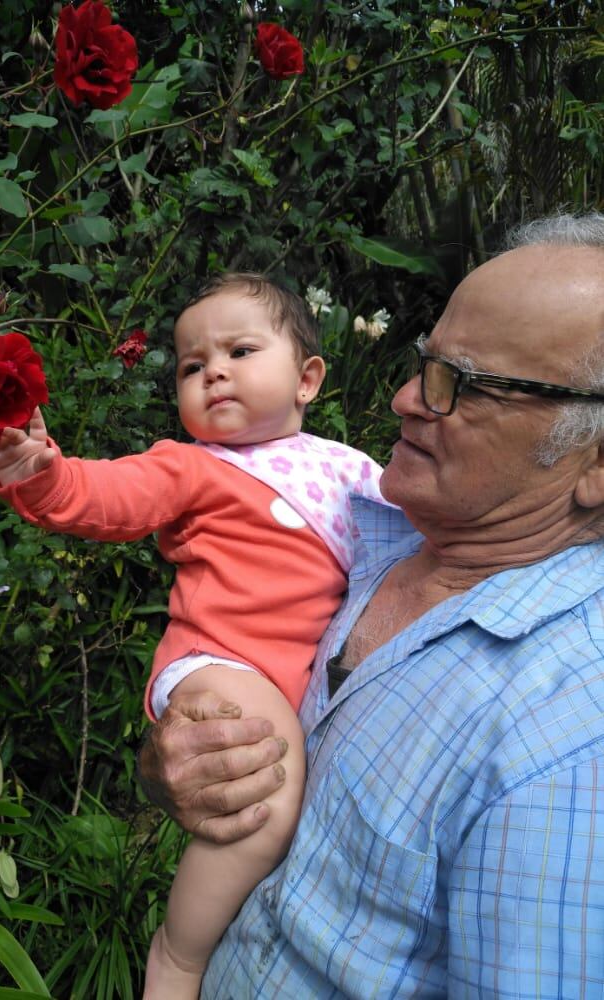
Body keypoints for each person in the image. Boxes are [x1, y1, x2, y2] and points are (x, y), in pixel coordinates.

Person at [139, 213, 604, 998]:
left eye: (464, 384)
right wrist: (176, 763)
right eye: (426, 362)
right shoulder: (363, 529)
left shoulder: (567, 744)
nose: (402, 399)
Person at [0, 273, 385, 998]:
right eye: (192, 366)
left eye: (241, 350)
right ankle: (178, 959)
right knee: (266, 797)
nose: (213, 371)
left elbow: (408, 543)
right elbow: (104, 495)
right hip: (216, 661)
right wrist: (43, 474)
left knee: (278, 800)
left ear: (307, 379)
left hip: (290, 682)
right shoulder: (191, 466)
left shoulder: (347, 469)